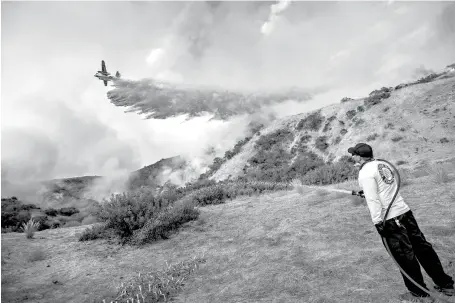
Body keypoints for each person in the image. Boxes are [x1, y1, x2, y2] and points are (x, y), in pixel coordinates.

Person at [347, 143, 454, 302]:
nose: (352, 157)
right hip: (405, 213)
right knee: (423, 249)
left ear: (358, 156)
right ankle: (445, 284)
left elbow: (373, 199)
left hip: (390, 220)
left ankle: (419, 294)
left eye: (353, 155)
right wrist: (368, 191)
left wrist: (378, 222)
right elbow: (385, 188)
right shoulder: (382, 164)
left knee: (404, 257)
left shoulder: (365, 172)